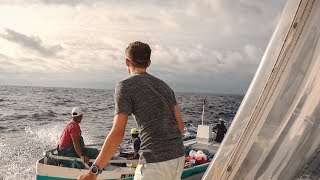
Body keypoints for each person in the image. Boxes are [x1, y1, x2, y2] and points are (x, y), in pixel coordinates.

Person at [79, 41, 185, 180]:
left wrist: (93, 172)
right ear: (148, 63)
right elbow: (181, 127)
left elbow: (118, 132)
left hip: (155, 163)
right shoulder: (164, 86)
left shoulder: (125, 86)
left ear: (127, 62)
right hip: (178, 158)